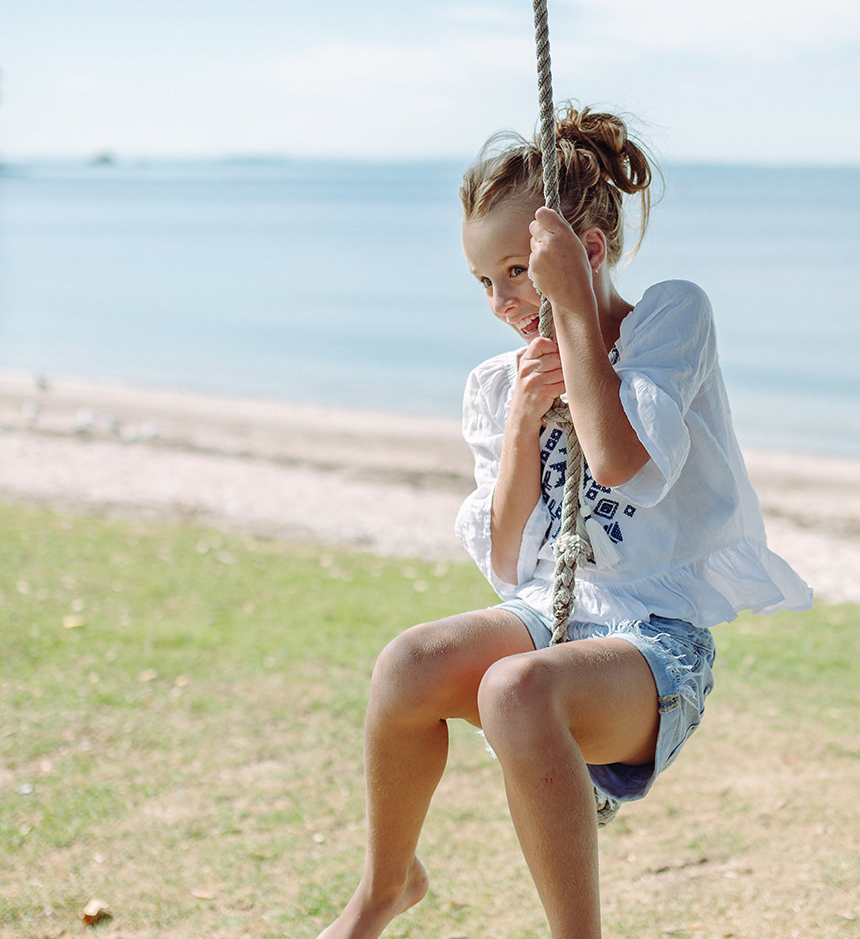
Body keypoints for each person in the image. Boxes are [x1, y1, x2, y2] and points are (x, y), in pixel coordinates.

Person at [317, 108, 812, 939]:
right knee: (408, 664)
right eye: (485, 281)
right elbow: (510, 563)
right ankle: (385, 887)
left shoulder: (668, 322)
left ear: (587, 250)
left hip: (656, 644)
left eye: (519, 271)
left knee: (515, 689)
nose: (503, 301)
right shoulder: (497, 384)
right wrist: (521, 425)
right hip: (549, 616)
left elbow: (624, 466)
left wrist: (576, 309)